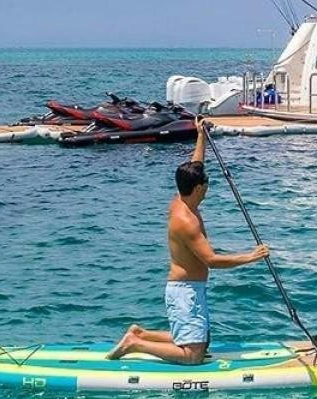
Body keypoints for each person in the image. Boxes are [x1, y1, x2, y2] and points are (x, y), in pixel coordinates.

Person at [107, 118, 270, 364]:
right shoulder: (187, 221)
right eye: (205, 183)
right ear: (196, 189)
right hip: (185, 292)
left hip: (192, 289)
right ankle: (135, 344)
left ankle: (140, 333)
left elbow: (196, 164)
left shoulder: (182, 197)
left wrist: (201, 135)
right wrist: (251, 256)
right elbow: (211, 260)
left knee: (202, 345)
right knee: (193, 356)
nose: (208, 186)